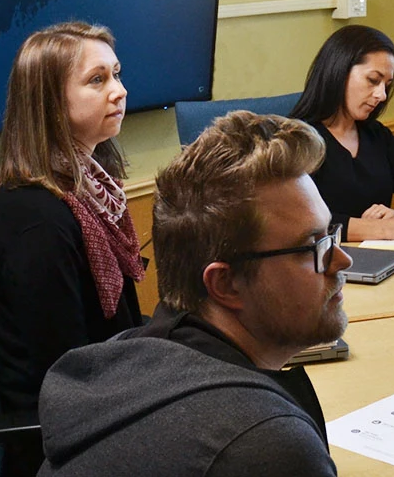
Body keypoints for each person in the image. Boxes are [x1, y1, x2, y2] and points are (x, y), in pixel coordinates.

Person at [36, 111, 349, 476]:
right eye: (313, 247)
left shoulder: (138, 359)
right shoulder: (262, 446)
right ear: (226, 284)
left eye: (331, 234)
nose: (341, 259)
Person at [0, 21, 145, 476]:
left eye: (116, 74)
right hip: (71, 442)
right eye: (98, 80)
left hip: (104, 395)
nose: (119, 91)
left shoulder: (86, 190)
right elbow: (72, 370)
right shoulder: (36, 222)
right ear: (50, 105)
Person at [290, 24, 394, 242]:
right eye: (373, 80)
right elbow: (300, 222)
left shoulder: (377, 135)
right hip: (323, 265)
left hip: (379, 257)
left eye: (386, 85)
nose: (381, 95)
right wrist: (382, 230)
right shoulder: (295, 141)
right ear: (339, 72)